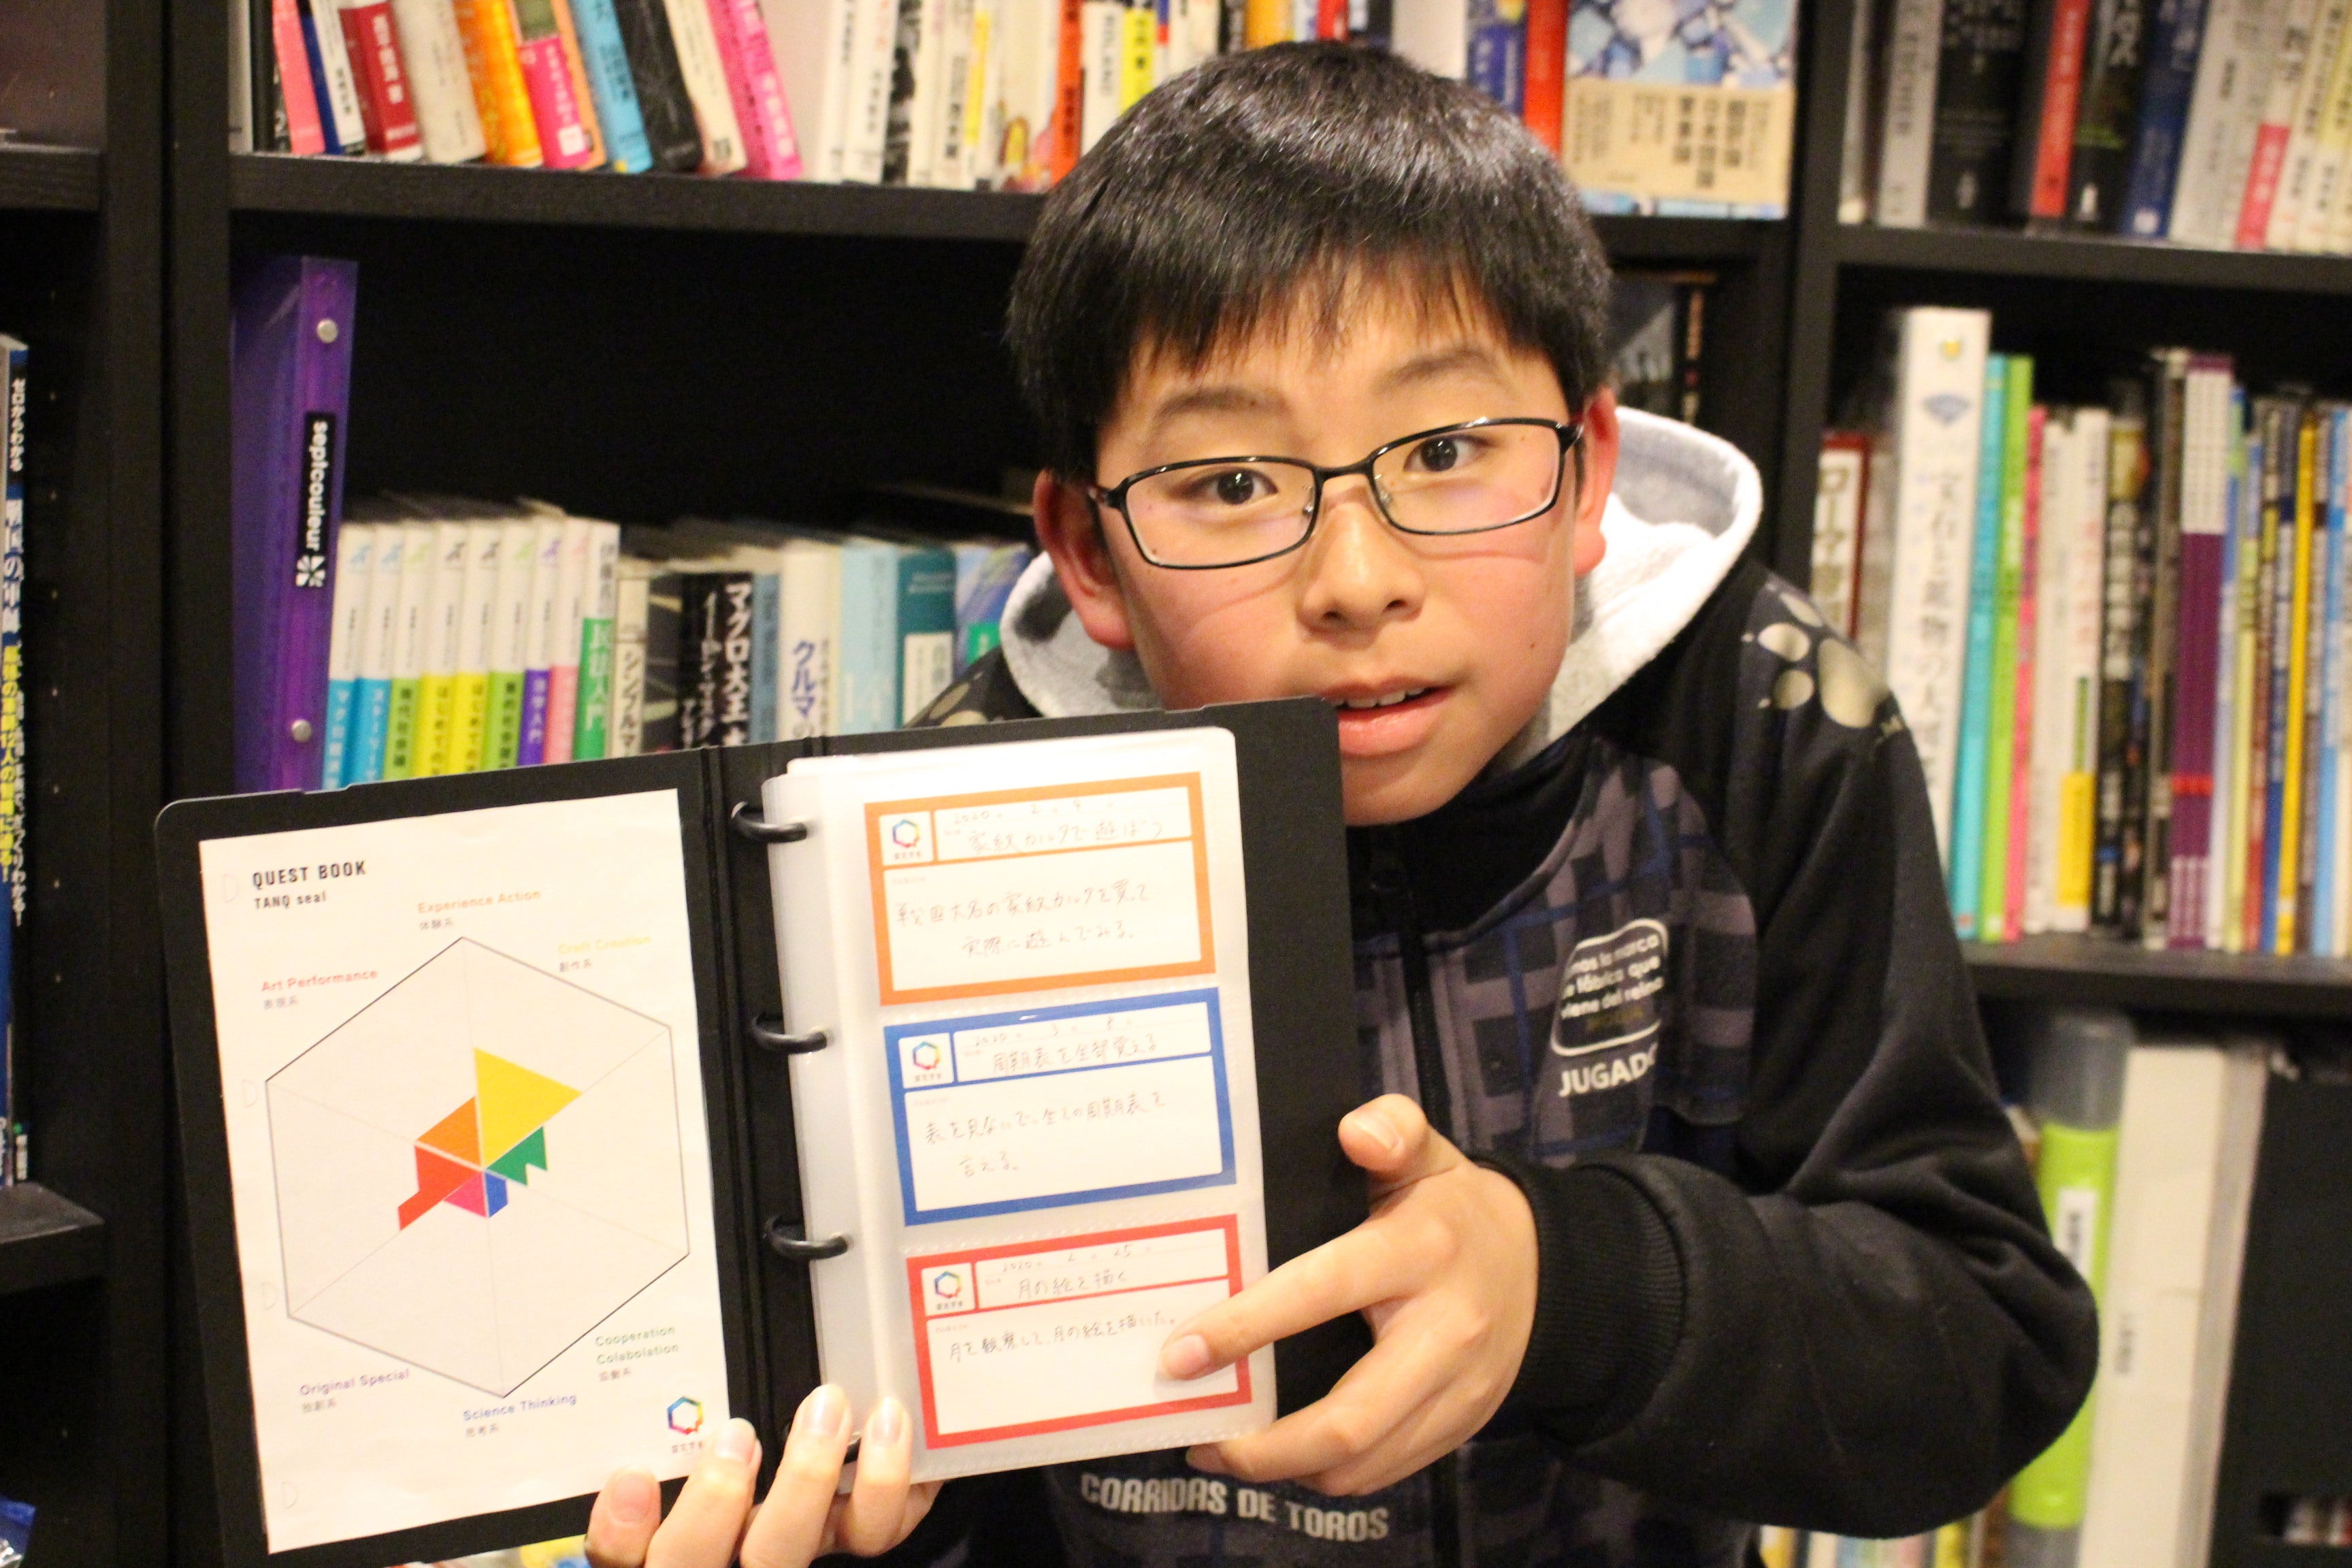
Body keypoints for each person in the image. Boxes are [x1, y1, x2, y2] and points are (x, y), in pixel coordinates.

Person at [585, 40, 2098, 1568]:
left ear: (1588, 474)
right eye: (1232, 483)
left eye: (1444, 453)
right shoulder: (948, 828)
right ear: (1089, 553)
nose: (1359, 582)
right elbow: (925, 1444)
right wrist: (859, 1526)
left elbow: (1981, 1348)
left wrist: (1566, 1286)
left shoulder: (1761, 723)